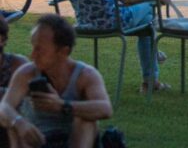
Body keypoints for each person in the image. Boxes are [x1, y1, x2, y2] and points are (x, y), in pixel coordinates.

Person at [0, 15, 112, 147]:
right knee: (13, 122)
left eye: (39, 49)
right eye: (33, 47)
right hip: (39, 139)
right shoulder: (27, 73)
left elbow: (105, 109)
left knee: (86, 120)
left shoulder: (85, 75)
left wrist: (61, 106)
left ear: (63, 51)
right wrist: (19, 122)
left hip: (74, 139)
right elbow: (4, 107)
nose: (32, 55)